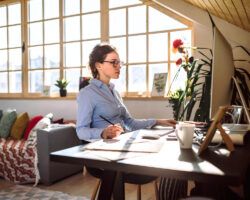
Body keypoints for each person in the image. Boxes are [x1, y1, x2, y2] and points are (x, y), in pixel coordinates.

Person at [76, 43, 179, 199]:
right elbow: (80, 130)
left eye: (120, 62)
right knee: (164, 163)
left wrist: (159, 121)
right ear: (98, 65)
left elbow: (130, 123)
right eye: (113, 62)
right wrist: (103, 132)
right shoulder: (87, 93)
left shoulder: (114, 92)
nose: (119, 66)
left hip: (121, 147)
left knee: (168, 155)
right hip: (101, 156)